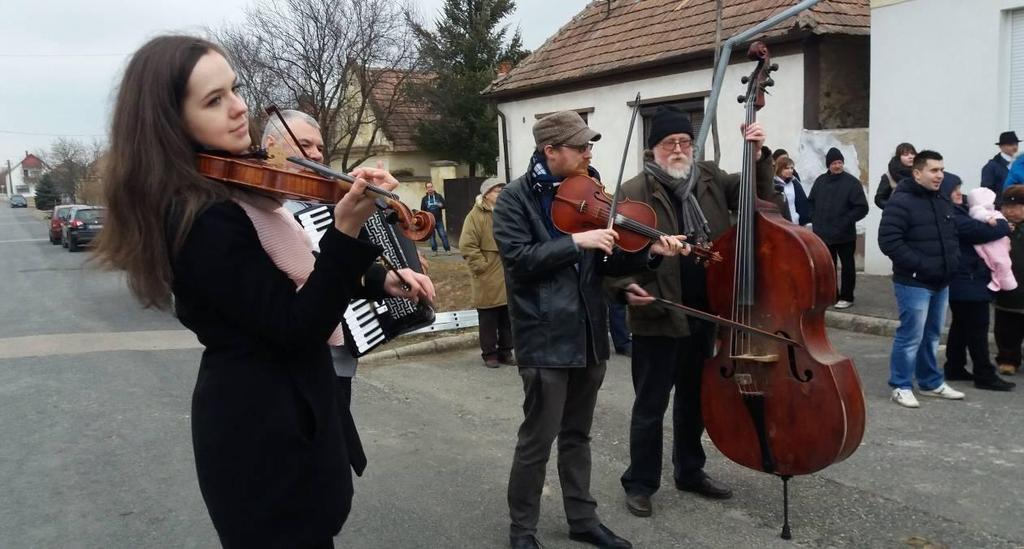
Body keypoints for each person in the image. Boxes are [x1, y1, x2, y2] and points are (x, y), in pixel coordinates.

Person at [91, 35, 433, 548]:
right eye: (213, 100)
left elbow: (294, 272)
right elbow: (296, 327)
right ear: (170, 124)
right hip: (262, 435)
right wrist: (345, 232)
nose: (238, 108)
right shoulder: (201, 218)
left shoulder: (237, 189)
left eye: (234, 88)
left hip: (289, 413)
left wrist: (377, 277)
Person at [493, 110, 687, 549]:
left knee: (578, 435)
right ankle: (522, 531)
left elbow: (610, 261)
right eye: (580, 147)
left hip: (589, 334)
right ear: (551, 151)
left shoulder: (592, 193)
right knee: (537, 441)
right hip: (544, 336)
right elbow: (519, 262)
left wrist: (650, 253)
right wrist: (575, 242)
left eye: (589, 146)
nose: (588, 153)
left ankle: (582, 519)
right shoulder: (515, 199)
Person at [608, 105, 776, 518]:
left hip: (706, 312)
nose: (679, 149)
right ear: (653, 150)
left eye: (685, 141)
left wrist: (756, 155)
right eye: (670, 143)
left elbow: (757, 198)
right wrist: (626, 289)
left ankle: (690, 470)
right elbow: (613, 262)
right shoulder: (632, 192)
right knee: (650, 406)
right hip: (658, 315)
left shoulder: (710, 177)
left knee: (694, 401)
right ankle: (641, 482)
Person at [878, 150, 965, 408]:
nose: (940, 175)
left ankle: (930, 382)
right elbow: (889, 241)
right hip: (913, 282)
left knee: (932, 335)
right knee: (910, 335)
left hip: (941, 281)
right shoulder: (900, 201)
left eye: (942, 170)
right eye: (934, 170)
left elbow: (952, 235)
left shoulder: (941, 200)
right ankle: (901, 385)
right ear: (917, 173)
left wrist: (953, 262)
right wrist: (921, 267)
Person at [940, 176, 1015, 391]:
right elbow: (981, 231)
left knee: (961, 326)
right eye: (954, 190)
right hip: (967, 279)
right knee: (978, 328)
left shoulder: (958, 210)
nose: (959, 194)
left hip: (965, 278)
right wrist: (1002, 223)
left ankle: (954, 367)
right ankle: (984, 374)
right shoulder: (953, 216)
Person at [460, 176, 514, 367]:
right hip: (488, 274)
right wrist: (481, 266)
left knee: (507, 316)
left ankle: (506, 352)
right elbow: (467, 245)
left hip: (507, 271)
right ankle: (489, 354)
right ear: (487, 194)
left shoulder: (507, 212)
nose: (501, 193)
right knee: (488, 317)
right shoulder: (475, 216)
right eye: (498, 190)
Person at [808, 147, 869, 309]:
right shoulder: (820, 181)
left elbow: (862, 207)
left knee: (848, 266)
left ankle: (847, 296)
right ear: (828, 165)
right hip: (823, 234)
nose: (837, 166)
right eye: (834, 163)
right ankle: (831, 295)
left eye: (840, 162)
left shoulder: (852, 183)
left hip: (845, 235)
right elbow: (811, 202)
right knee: (828, 267)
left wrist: (846, 221)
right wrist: (814, 218)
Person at [995, 185, 1024, 376]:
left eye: (1015, 207)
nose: (1009, 211)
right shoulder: (999, 226)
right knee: (1007, 326)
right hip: (1007, 286)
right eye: (1006, 207)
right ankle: (1008, 359)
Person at [967, 187, 1018, 291]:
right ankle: (1004, 283)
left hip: (1000, 241)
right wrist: (988, 218)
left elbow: (1001, 220)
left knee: (1005, 262)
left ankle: (1006, 282)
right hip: (992, 243)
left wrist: (1007, 226)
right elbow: (978, 213)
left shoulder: (993, 210)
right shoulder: (978, 209)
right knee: (1000, 262)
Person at [875, 142, 916, 210]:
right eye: (906, 154)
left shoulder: (923, 174)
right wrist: (893, 208)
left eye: (912, 154)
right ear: (899, 157)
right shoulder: (888, 176)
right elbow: (879, 199)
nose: (911, 157)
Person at [981, 131, 1018, 204]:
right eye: (1011, 144)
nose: (1015, 147)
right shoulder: (991, 166)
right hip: (1002, 208)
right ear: (1001, 146)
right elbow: (987, 192)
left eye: (1016, 144)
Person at [773, 155, 810, 225]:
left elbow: (801, 202)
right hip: (780, 223)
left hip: (795, 222)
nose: (790, 170)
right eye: (787, 168)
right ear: (780, 169)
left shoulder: (794, 182)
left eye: (792, 168)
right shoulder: (773, 184)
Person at [420, 181, 451, 254]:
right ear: (426, 189)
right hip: (430, 222)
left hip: (438, 220)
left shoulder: (438, 196)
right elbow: (422, 210)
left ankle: (447, 250)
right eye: (428, 187)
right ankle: (434, 251)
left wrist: (441, 205)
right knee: (432, 237)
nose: (430, 189)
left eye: (431, 187)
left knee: (443, 235)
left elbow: (445, 205)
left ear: (433, 187)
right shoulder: (424, 199)